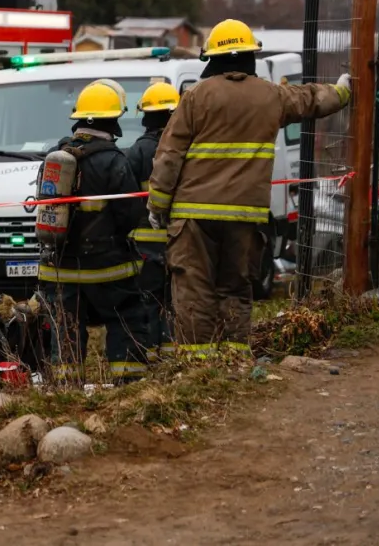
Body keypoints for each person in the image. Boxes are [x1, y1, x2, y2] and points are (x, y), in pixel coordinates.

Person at [147, 19, 352, 357]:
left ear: (214, 58)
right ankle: (232, 361)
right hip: (246, 216)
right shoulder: (271, 95)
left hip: (194, 217)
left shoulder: (196, 96)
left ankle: (198, 368)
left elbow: (169, 155)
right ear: (248, 57)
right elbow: (312, 99)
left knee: (195, 290)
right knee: (236, 289)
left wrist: (158, 205)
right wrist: (343, 92)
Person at [38, 80, 153, 383]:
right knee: (126, 317)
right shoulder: (115, 161)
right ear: (112, 120)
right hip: (106, 267)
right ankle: (128, 384)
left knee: (66, 327)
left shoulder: (54, 157)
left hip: (59, 267)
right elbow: (129, 215)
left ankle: (66, 386)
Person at [125, 81, 181, 359]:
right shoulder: (184, 149)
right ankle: (172, 354)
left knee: (148, 302)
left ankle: (149, 355)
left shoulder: (136, 153)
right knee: (174, 303)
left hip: (145, 246)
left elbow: (126, 202)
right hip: (180, 240)